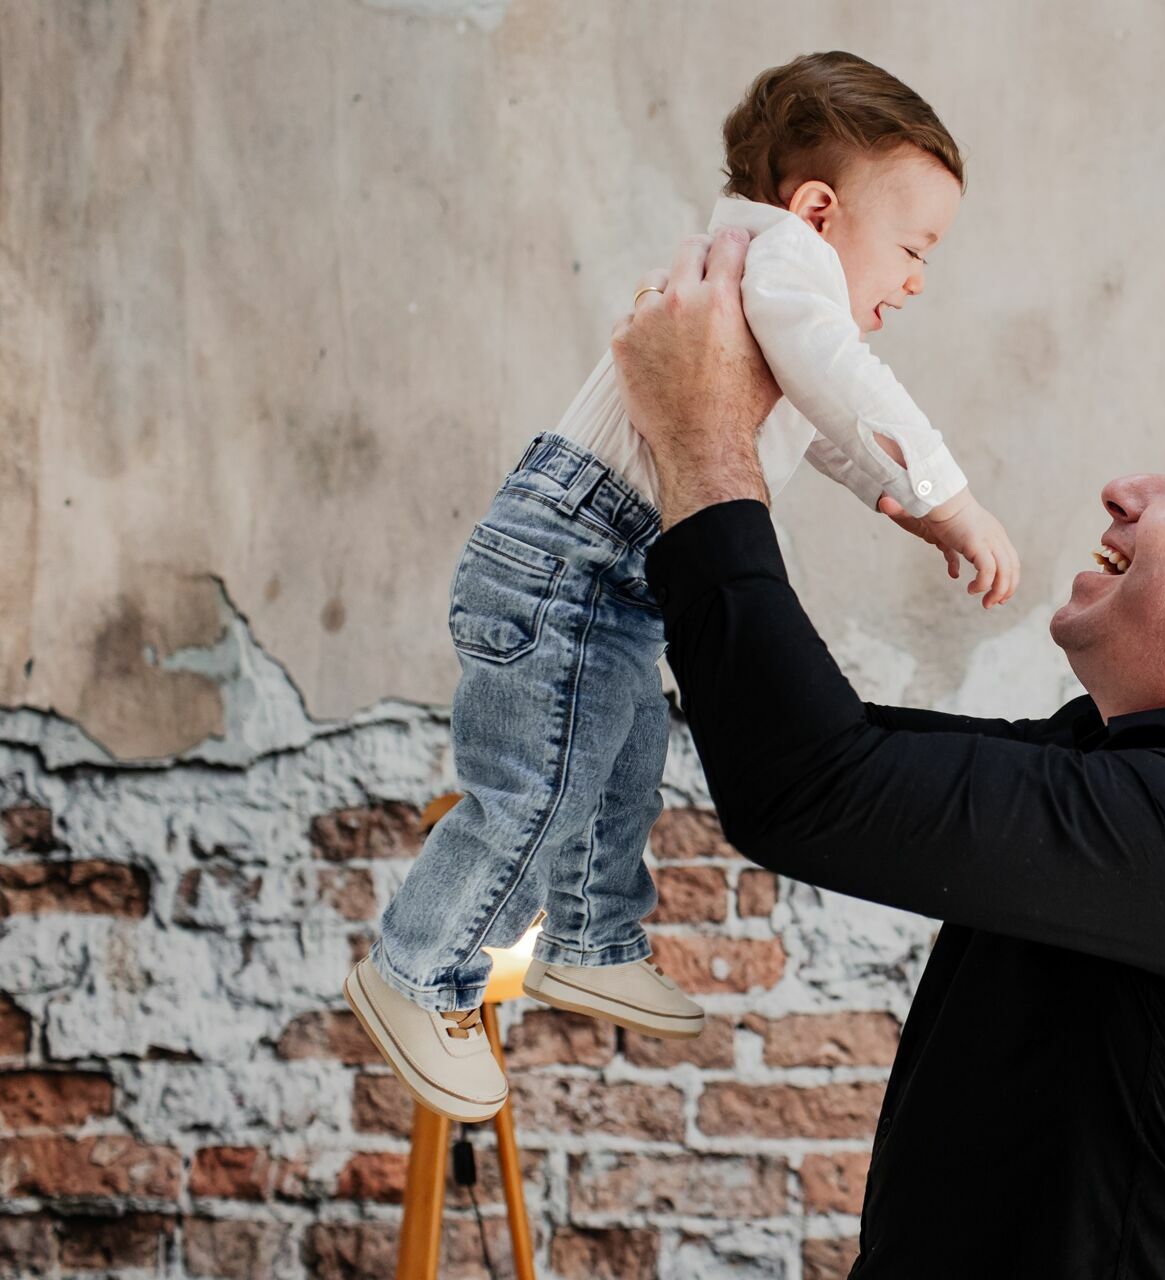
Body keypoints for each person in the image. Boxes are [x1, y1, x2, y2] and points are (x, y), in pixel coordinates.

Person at [608, 229, 1165, 1278]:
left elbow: (808, 785)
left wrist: (704, 437)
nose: (1123, 489)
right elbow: (819, 748)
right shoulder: (1112, 764)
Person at [343, 51, 1017, 1125]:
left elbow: (816, 418)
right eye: (914, 248)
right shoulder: (784, 257)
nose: (919, 279)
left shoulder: (757, 273)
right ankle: (418, 973)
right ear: (819, 209)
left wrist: (898, 499)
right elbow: (845, 384)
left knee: (620, 768)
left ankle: (593, 940)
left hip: (609, 569)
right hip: (569, 558)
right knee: (539, 790)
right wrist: (953, 496)